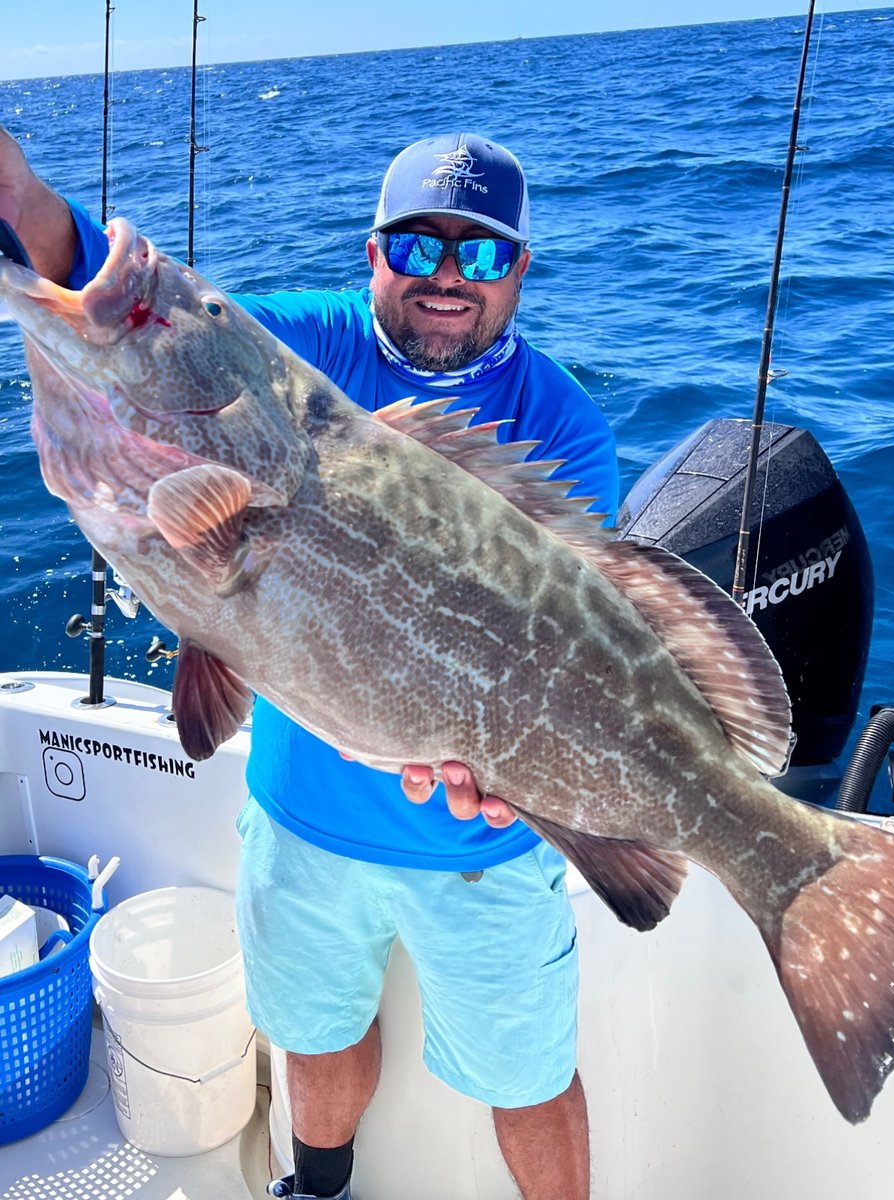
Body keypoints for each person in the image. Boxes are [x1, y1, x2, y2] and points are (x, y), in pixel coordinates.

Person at [0, 128, 620, 1200]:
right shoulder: (291, 345)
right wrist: (20, 195)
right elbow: (119, 299)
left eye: (479, 255)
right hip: (301, 818)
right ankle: (316, 1186)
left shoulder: (563, 426)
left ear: (518, 271)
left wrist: (527, 788)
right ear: (372, 251)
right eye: (416, 244)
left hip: (475, 843)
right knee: (314, 1036)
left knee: (528, 1079)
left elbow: (569, 642)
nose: (444, 276)